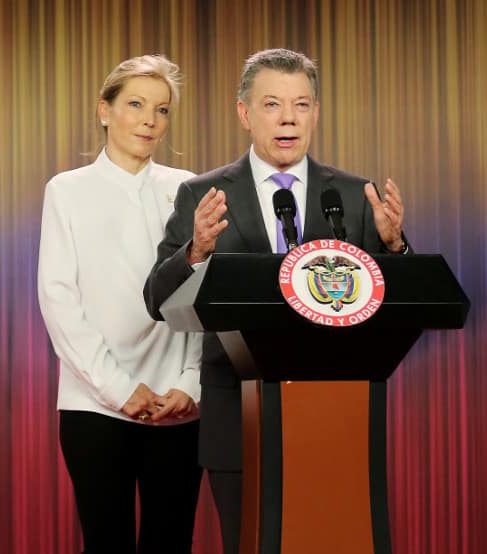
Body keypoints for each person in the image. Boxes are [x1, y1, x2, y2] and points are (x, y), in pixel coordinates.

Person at [142, 48, 410, 554]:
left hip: (337, 418)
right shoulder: (203, 195)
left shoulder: (354, 196)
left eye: (301, 105)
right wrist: (195, 250)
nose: (288, 118)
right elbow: (158, 300)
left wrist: (395, 247)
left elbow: (390, 304)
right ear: (245, 113)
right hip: (237, 419)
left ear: (314, 112)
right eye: (272, 104)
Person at [37, 54, 204, 554]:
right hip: (94, 405)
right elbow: (58, 299)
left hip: (178, 406)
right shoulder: (67, 191)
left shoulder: (189, 188)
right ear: (104, 111)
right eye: (135, 104)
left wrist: (190, 384)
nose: (150, 120)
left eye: (162, 109)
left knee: (169, 542)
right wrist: (118, 389)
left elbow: (205, 292)